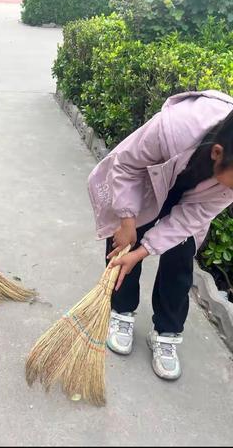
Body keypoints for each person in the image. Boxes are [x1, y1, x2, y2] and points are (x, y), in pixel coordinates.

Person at [88, 90, 233, 380]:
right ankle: (121, 311)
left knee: (180, 257)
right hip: (142, 181)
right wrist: (127, 221)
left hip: (190, 198)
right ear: (217, 152)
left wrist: (144, 250)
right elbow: (127, 166)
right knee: (123, 242)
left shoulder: (226, 180)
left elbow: (193, 216)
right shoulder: (176, 127)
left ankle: (166, 333)